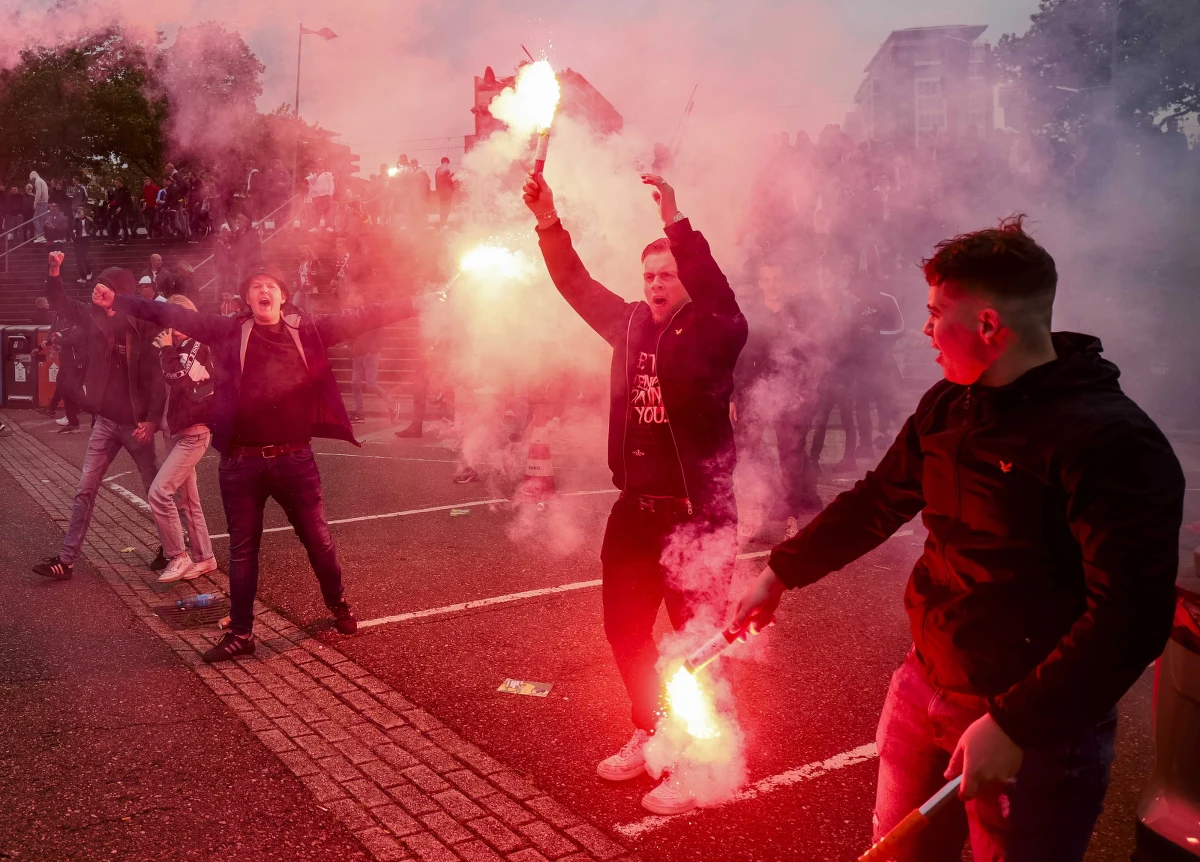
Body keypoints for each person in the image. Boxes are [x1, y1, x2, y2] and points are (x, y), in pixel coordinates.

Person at [732, 216, 1185, 862]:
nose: (923, 331)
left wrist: (1016, 722)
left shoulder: (1110, 442)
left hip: (1037, 734)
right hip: (923, 689)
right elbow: (876, 501)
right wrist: (779, 572)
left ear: (990, 327)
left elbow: (1131, 616)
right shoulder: (948, 407)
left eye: (936, 313)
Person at [524, 171, 747, 815]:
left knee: (697, 644)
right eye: (649, 274)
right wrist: (548, 221)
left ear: (686, 282)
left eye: (667, 275)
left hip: (696, 517)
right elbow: (574, 284)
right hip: (634, 513)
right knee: (625, 633)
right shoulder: (626, 325)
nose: (655, 284)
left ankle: (704, 760)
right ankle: (651, 734)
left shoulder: (714, 331)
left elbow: (720, 295)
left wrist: (678, 223)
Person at [108, 263, 423, 662]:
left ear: (282, 296)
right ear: (247, 299)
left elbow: (362, 317)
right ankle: (242, 632)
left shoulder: (305, 330)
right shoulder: (227, 331)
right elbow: (176, 315)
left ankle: (337, 603)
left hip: (295, 459)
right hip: (242, 464)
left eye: (270, 285)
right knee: (242, 552)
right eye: (255, 286)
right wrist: (119, 300)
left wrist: (416, 302)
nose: (263, 291)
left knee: (318, 541)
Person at [32, 251, 165, 581]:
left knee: (156, 490)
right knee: (84, 490)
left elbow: (154, 376)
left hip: (136, 425)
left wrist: (151, 420)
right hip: (105, 421)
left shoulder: (141, 325)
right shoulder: (91, 317)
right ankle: (66, 560)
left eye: (105, 285)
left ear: (120, 293)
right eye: (96, 283)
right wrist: (54, 270)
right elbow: (60, 302)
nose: (97, 288)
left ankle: (172, 548)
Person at [733, 259, 826, 541]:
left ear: (785, 282)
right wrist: (734, 395)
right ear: (760, 283)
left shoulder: (799, 317)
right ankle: (752, 513)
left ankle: (790, 518)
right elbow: (736, 357)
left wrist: (805, 392)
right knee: (748, 456)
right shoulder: (750, 315)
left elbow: (813, 357)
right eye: (767, 279)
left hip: (789, 398)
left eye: (777, 279)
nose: (772, 285)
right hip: (754, 396)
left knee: (791, 459)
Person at [149, 295, 219, 584]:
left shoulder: (200, 346)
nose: (174, 327)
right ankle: (205, 558)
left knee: (159, 492)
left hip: (194, 433)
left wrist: (166, 350)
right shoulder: (177, 347)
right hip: (175, 433)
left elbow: (178, 375)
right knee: (188, 501)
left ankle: (178, 555)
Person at [343, 288, 396, 422]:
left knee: (371, 384)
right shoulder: (357, 316)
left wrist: (371, 350)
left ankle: (392, 405)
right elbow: (353, 334)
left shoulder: (374, 317)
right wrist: (349, 345)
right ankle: (360, 412)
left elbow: (380, 333)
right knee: (355, 383)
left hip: (370, 355)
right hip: (358, 354)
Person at [48, 320, 87, 433]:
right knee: (66, 392)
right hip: (66, 363)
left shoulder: (78, 325)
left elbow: (70, 340)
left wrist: (56, 338)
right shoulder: (67, 324)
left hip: (76, 364)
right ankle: (73, 423)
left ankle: (95, 411)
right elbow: (59, 335)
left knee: (72, 392)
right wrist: (55, 341)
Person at [231, 212, 262, 283]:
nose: (237, 225)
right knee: (241, 283)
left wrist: (251, 260)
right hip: (243, 263)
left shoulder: (253, 232)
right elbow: (236, 247)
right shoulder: (238, 233)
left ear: (245, 222)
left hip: (253, 263)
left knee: (251, 282)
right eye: (236, 223)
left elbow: (256, 248)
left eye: (239, 222)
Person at [307, 161, 335, 232]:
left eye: (321, 163)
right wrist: (317, 175)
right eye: (318, 163)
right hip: (316, 196)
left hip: (325, 195)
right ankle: (315, 227)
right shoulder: (313, 175)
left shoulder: (328, 174)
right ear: (316, 165)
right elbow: (311, 182)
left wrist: (330, 194)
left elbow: (331, 184)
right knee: (316, 212)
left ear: (323, 165)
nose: (320, 164)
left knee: (327, 211)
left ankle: (328, 226)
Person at [72, 206, 95, 283]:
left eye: (80, 212)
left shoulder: (88, 220)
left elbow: (95, 228)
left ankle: (88, 272)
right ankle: (83, 277)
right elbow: (72, 229)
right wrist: (74, 238)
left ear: (84, 212)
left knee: (83, 257)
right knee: (79, 259)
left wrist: (91, 234)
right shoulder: (76, 221)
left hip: (86, 240)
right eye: (78, 212)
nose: (79, 213)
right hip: (78, 241)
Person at [294, 244, 319, 314]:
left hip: (309, 288)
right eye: (301, 253)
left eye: (304, 253)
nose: (303, 255)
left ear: (308, 253)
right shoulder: (300, 263)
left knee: (309, 310)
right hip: (301, 288)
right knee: (294, 303)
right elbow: (299, 274)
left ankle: (310, 323)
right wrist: (296, 282)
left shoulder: (313, 262)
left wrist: (310, 284)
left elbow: (316, 275)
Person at [29, 171, 49, 243]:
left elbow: (39, 193)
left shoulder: (37, 181)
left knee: (35, 219)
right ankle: (41, 236)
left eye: (32, 180)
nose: (33, 181)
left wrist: (35, 202)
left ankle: (40, 235)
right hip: (45, 202)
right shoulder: (42, 181)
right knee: (40, 220)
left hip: (40, 203)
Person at [434, 157, 455, 227]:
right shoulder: (442, 171)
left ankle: (443, 223)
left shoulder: (442, 171)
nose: (447, 165)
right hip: (444, 193)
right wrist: (449, 177)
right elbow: (444, 181)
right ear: (444, 163)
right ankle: (443, 223)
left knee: (445, 208)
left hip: (445, 193)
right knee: (445, 208)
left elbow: (446, 181)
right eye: (446, 163)